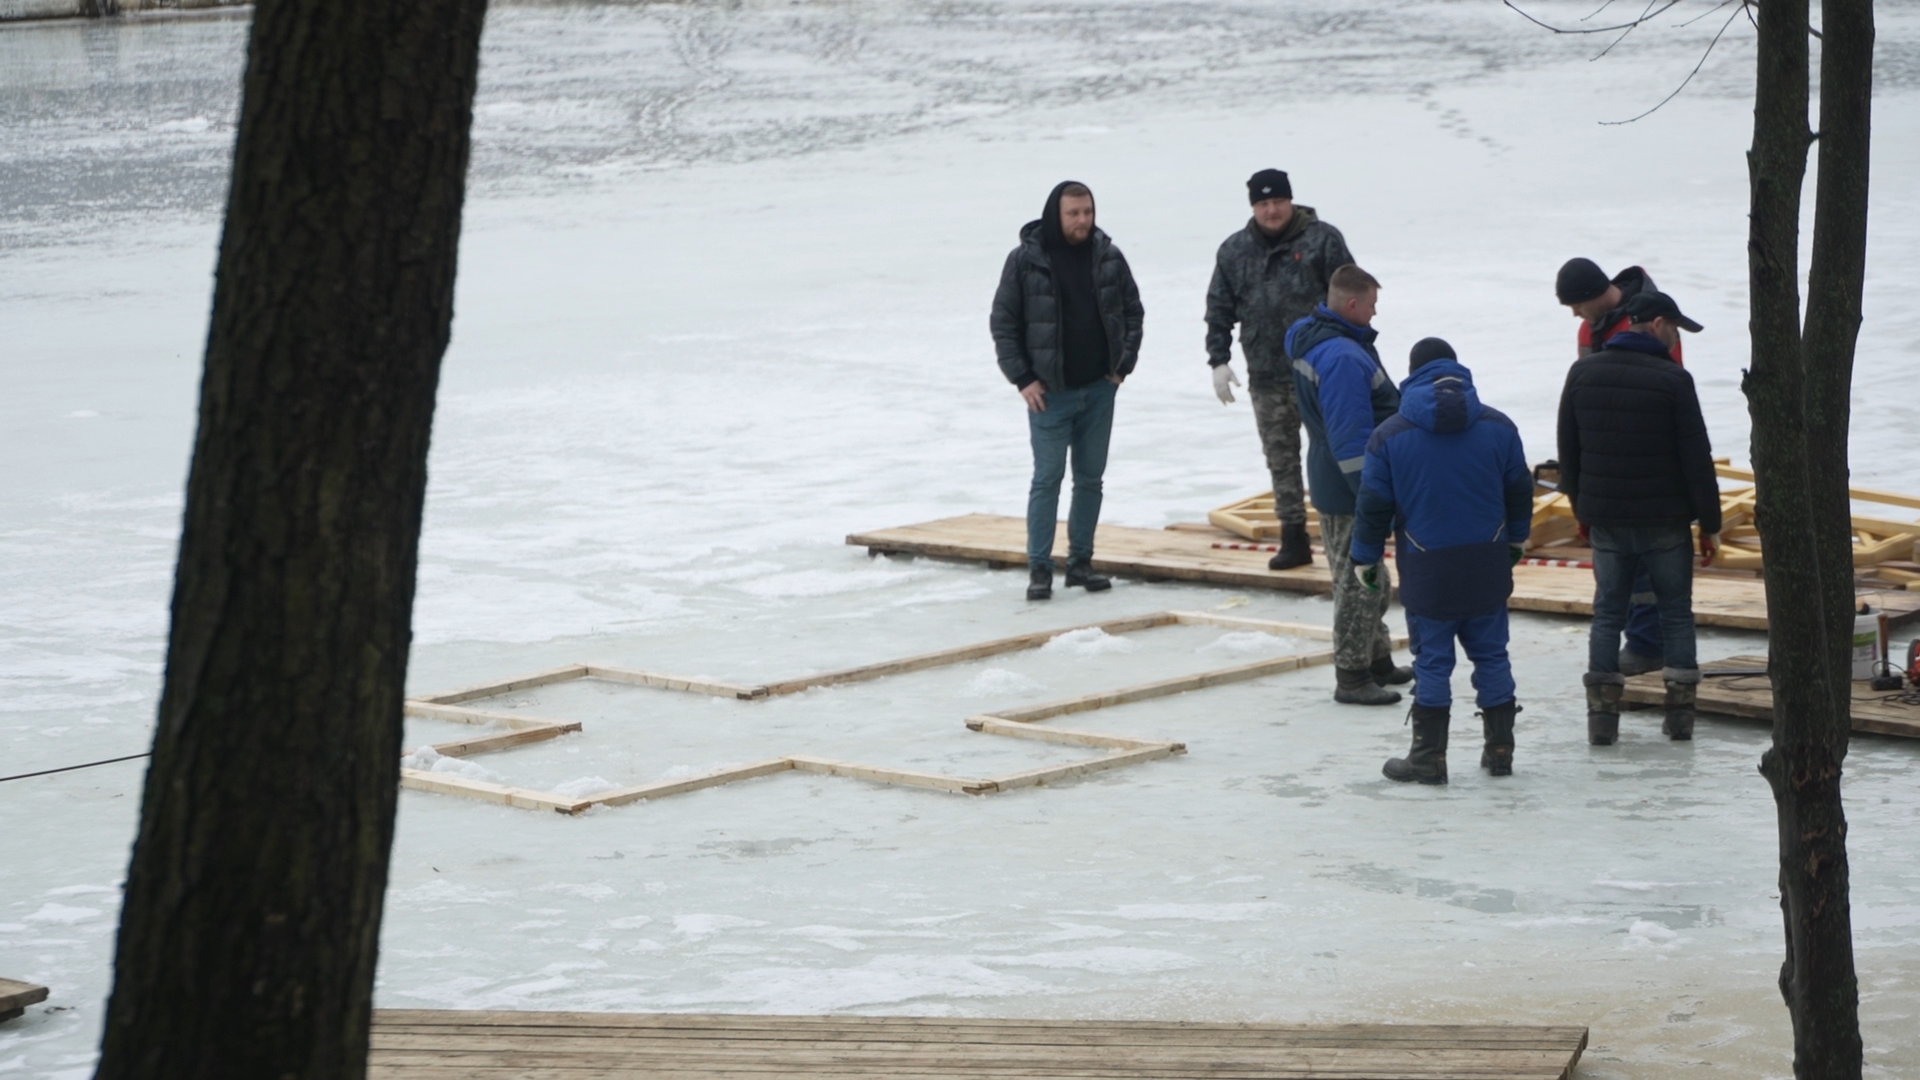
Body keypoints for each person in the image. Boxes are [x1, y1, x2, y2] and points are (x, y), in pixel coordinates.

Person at [1351, 339, 1533, 783]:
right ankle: (1500, 752)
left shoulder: (1389, 435)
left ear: (1412, 374)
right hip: (1486, 562)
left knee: (1432, 660)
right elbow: (1519, 491)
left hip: (1428, 565)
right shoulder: (1499, 427)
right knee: (1492, 655)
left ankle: (1428, 758)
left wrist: (1365, 557)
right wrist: (1516, 540)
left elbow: (1373, 505)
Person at [1557, 290, 1720, 745]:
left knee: (1608, 612)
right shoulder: (1673, 381)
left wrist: (1580, 511)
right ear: (1657, 324)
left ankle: (1603, 722)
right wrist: (1710, 523)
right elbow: (1697, 458)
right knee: (1676, 613)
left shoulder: (1583, 373)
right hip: (1665, 522)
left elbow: (1569, 452)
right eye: (1675, 329)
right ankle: (1680, 718)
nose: (1676, 339)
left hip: (1606, 519)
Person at [990, 180, 1145, 601]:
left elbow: (1133, 312)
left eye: (1088, 212)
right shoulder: (1025, 261)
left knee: (1090, 480)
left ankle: (1080, 563)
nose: (1082, 221)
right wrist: (1022, 378)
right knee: (1047, 480)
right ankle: (1040, 568)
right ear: (1055, 215)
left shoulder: (1108, 257)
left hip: (1099, 389)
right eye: (1073, 213)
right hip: (1049, 394)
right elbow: (1004, 324)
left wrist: (1122, 367)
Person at [1205, 169, 1355, 571]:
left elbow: (1350, 299)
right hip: (1267, 374)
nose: (1271, 210)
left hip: (1321, 373)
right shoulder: (1234, 251)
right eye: (1263, 204)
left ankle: (1348, 533)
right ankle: (1294, 538)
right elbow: (1218, 310)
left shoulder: (1323, 239)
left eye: (1278, 202)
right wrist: (1218, 360)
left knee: (1335, 452)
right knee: (1280, 456)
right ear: (1253, 206)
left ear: (1291, 201)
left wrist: (1351, 355)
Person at [1284, 264, 1412, 704]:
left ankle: (1376, 659)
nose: (1376, 315)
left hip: (1330, 473)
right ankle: (1352, 676)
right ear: (1353, 304)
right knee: (1359, 581)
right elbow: (1350, 437)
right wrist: (1371, 496)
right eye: (1373, 306)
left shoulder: (1313, 335)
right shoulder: (1340, 357)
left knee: (1370, 576)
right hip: (1348, 485)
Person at [1555, 257, 1685, 675]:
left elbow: (1670, 390)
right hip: (1606, 466)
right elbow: (1580, 397)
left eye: (1575, 305)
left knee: (1646, 566)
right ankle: (1640, 641)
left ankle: (1648, 644)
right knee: (1616, 571)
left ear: (1592, 296)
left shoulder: (1650, 320)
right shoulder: (1587, 330)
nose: (1574, 314)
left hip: (1645, 462)